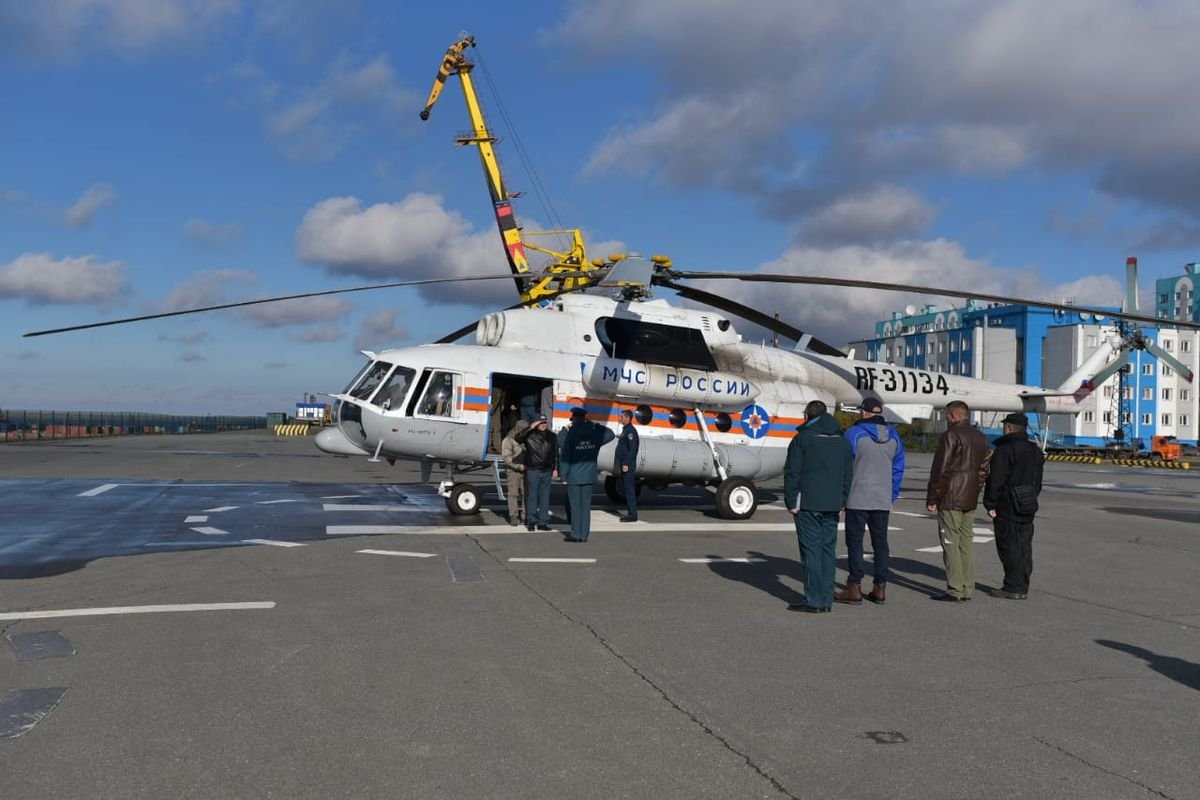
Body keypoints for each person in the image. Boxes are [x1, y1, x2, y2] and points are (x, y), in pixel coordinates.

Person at [783, 399, 854, 613]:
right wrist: (842, 499)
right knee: (827, 551)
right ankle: (826, 598)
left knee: (811, 551)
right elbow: (847, 474)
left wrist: (790, 501)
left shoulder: (803, 439)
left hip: (808, 503)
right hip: (832, 503)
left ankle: (814, 600)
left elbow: (792, 472)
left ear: (807, 415)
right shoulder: (842, 441)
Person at [835, 396, 905, 605]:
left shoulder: (853, 434)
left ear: (864, 412)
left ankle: (854, 586)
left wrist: (842, 495)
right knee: (880, 543)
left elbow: (845, 467)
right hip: (882, 498)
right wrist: (891, 495)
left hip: (857, 496)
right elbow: (898, 469)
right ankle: (880, 586)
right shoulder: (895, 438)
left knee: (855, 542)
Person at [926, 400, 991, 602]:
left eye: (947, 415)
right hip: (970, 497)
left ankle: (954, 588)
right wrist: (974, 489)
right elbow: (983, 470)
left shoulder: (951, 435)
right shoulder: (980, 436)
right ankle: (967, 588)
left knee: (950, 542)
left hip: (951, 497)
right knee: (966, 543)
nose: (946, 418)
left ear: (953, 416)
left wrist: (933, 496)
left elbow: (941, 469)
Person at [982, 412, 1044, 599]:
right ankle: (1022, 584)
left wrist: (990, 503)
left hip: (1008, 505)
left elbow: (996, 480)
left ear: (1008, 428)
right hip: (1028, 503)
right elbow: (1038, 481)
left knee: (1009, 545)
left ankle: (1013, 586)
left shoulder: (1005, 450)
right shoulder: (1035, 451)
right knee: (1024, 546)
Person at [558, 407, 615, 542]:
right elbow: (610, 434)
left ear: (574, 418)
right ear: (585, 417)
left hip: (574, 475)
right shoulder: (595, 433)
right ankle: (584, 535)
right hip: (589, 475)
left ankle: (576, 534)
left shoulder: (571, 433)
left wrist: (564, 475)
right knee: (585, 506)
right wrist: (595, 425)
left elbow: (566, 455)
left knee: (575, 506)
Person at [516, 414, 558, 532]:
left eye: (545, 422)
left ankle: (543, 522)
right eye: (540, 423)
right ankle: (531, 521)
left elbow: (555, 453)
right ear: (536, 424)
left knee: (545, 498)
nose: (543, 425)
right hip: (533, 470)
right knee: (532, 497)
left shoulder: (552, 436)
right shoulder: (530, 435)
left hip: (547, 470)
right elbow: (517, 438)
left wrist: (555, 468)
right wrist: (530, 427)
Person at [501, 419, 530, 527]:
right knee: (513, 494)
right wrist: (517, 466)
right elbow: (506, 457)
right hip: (513, 471)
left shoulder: (528, 439)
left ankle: (525, 515)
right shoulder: (508, 440)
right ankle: (513, 516)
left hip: (526, 470)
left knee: (526, 493)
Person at [615, 409, 640, 522]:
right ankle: (631, 512)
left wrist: (626, 463)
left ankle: (632, 515)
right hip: (624, 464)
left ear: (628, 418)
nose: (620, 419)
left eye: (622, 417)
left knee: (629, 489)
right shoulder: (626, 430)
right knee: (627, 489)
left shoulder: (630, 431)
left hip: (627, 465)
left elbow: (632, 450)